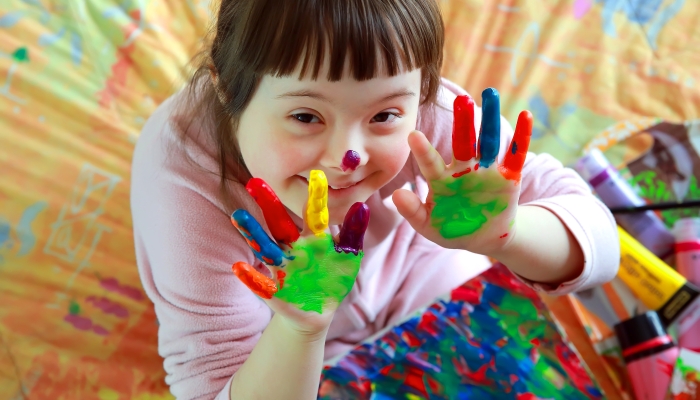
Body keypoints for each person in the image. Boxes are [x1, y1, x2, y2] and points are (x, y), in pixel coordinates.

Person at [130, 0, 619, 399]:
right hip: (284, 350)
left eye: (385, 115)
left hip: (427, 276)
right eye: (305, 116)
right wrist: (300, 329)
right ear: (224, 87)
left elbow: (601, 247)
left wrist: (509, 235)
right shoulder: (184, 185)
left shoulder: (433, 116)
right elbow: (212, 386)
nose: (349, 157)